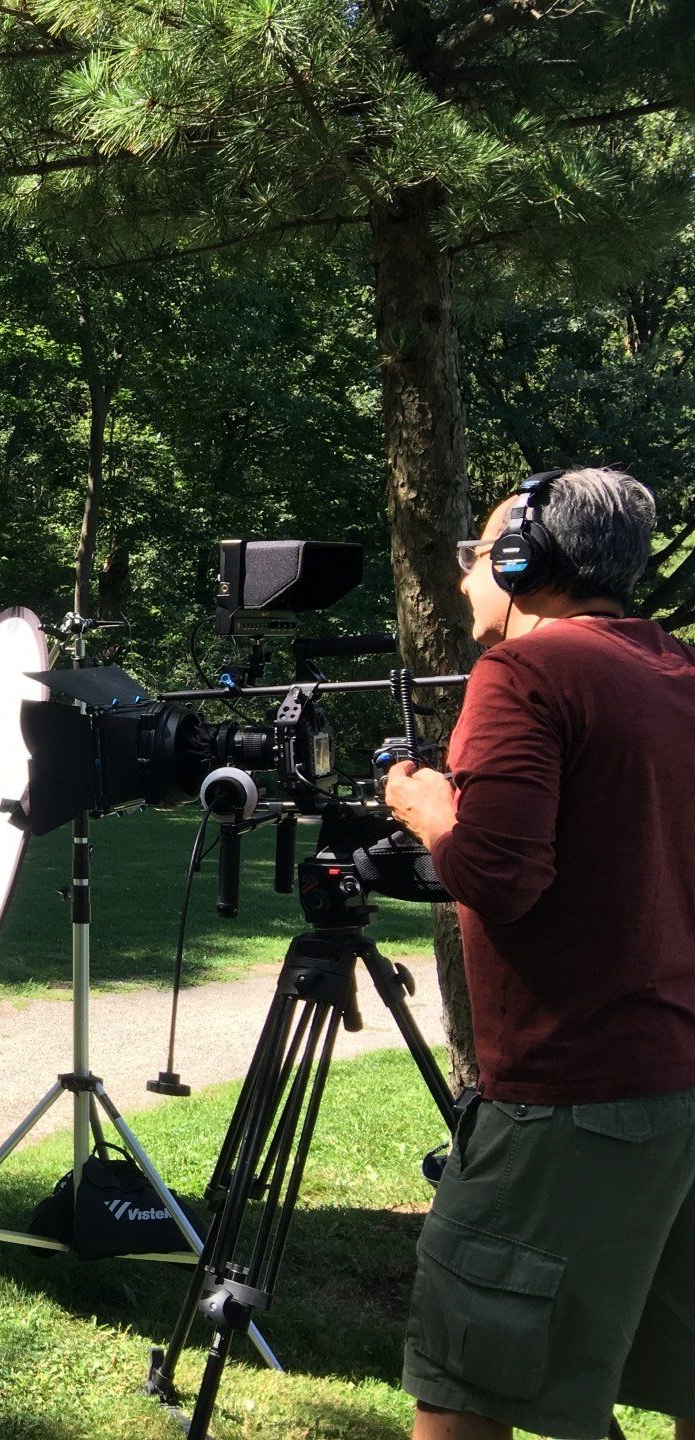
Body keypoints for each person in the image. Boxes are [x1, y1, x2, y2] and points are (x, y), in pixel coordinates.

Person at [385, 468, 695, 1440]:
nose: (466, 574)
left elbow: (499, 872)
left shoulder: (527, 672)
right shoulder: (677, 669)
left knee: (465, 1376)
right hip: (679, 1085)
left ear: (526, 560)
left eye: (478, 553)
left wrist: (427, 807)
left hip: (572, 1094)